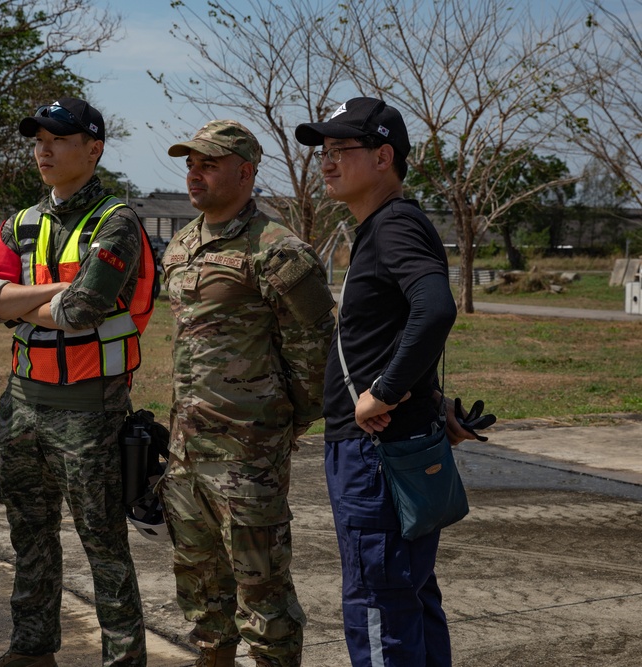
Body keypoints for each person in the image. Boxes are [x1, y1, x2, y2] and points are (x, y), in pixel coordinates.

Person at [0, 97, 154, 667]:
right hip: (21, 406)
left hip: (90, 409)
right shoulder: (22, 221)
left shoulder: (117, 221)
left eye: (58, 138)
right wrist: (50, 294)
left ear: (93, 149)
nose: (43, 148)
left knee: (104, 548)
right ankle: (31, 651)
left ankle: (122, 660)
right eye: (38, 138)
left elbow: (83, 311)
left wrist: (14, 302)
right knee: (29, 538)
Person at [158, 120, 336, 667]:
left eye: (208, 164)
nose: (195, 175)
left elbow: (315, 350)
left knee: (262, 595)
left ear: (245, 171)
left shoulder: (278, 249)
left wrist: (283, 425)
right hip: (187, 453)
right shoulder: (184, 243)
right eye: (190, 164)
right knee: (201, 588)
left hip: (247, 456)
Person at [294, 97, 465, 666]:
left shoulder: (393, 225)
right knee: (409, 598)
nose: (327, 161)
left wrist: (386, 391)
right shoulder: (383, 226)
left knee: (378, 602)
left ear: (384, 156)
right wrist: (430, 397)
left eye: (342, 150)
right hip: (388, 447)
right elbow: (402, 325)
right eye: (324, 151)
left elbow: (435, 308)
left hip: (375, 453)